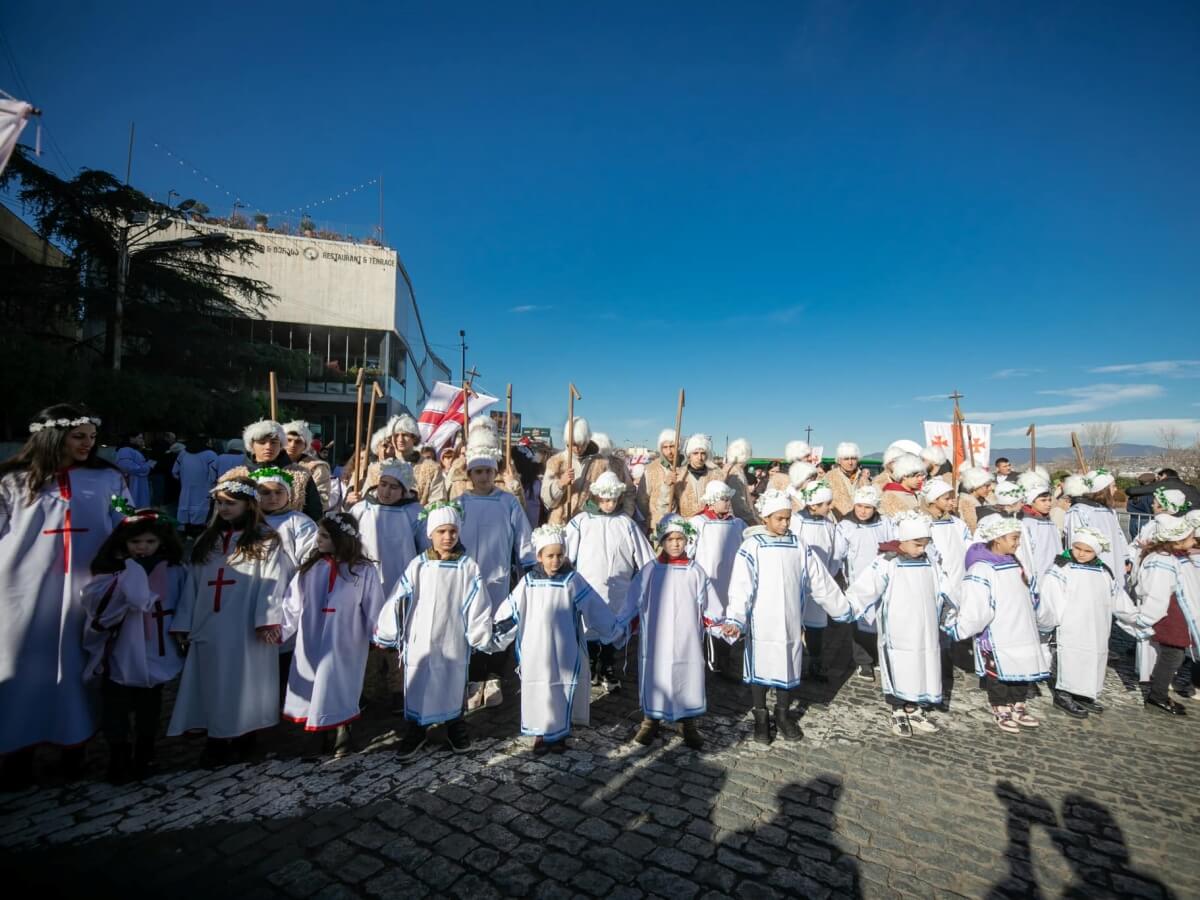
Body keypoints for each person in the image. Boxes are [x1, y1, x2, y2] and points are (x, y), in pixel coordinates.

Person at [0, 405, 128, 787]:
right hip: (22, 593)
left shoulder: (108, 478)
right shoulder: (13, 480)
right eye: (79, 436)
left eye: (92, 436)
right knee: (21, 669)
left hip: (84, 590)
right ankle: (17, 752)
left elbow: (125, 520)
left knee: (79, 669)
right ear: (53, 436)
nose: (88, 443)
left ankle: (74, 748)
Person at [167, 477, 286, 765]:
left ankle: (246, 734)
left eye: (230, 503)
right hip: (210, 624)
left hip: (245, 626)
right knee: (211, 682)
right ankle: (215, 739)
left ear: (248, 504)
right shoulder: (207, 542)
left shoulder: (265, 539)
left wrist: (267, 619)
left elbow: (272, 582)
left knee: (245, 682)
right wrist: (184, 621)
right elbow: (192, 584)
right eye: (219, 503)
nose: (223, 508)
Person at [724, 489, 854, 744]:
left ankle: (782, 714)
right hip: (762, 620)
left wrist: (840, 608)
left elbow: (819, 580)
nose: (784, 523)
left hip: (791, 620)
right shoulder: (752, 546)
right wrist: (736, 617)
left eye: (787, 518)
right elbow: (741, 586)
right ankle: (760, 715)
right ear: (766, 519)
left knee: (788, 665)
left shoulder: (798, 545)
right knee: (760, 667)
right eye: (779, 519)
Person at [491, 524, 627, 753]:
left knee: (561, 686)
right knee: (537, 688)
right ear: (539, 556)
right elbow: (511, 610)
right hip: (535, 648)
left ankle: (559, 732)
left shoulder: (572, 580)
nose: (555, 561)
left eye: (559, 555)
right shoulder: (528, 582)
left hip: (564, 647)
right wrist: (495, 633)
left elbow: (594, 607)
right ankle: (539, 733)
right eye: (550, 556)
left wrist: (611, 630)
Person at [374, 501, 493, 760]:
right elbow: (399, 596)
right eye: (441, 531)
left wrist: (478, 632)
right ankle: (417, 728)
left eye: (452, 531)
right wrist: (388, 629)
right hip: (421, 637)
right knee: (420, 680)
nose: (447, 537)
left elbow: (478, 601)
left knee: (451, 678)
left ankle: (454, 724)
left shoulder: (467, 566)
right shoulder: (418, 565)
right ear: (430, 533)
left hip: (452, 635)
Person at [81, 503, 185, 782]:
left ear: (161, 541)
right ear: (123, 543)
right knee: (115, 705)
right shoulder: (113, 570)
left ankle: (145, 752)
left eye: (150, 541)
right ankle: (118, 754)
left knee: (149, 704)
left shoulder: (174, 570)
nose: (143, 548)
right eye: (136, 542)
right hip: (122, 649)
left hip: (156, 648)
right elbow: (96, 604)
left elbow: (183, 600)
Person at [281, 512, 386, 757]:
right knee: (312, 682)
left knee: (341, 684)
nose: (318, 539)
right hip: (312, 638)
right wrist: (281, 630)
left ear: (340, 539)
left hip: (345, 640)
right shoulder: (309, 570)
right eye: (319, 534)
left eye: (325, 535)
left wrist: (379, 635)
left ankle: (343, 729)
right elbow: (292, 604)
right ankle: (316, 733)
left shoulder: (363, 571)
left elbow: (374, 606)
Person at [942, 516, 1054, 734]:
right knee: (998, 673)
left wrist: (1042, 618)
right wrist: (962, 627)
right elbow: (976, 605)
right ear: (997, 539)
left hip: (1021, 628)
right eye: (1014, 538)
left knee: (1022, 665)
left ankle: (1018, 703)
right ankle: (1000, 705)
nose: (1018, 543)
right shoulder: (982, 569)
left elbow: (1031, 595)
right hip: (997, 632)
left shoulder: (1015, 563)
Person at [845, 512, 953, 737]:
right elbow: (866, 587)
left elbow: (943, 587)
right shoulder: (888, 561)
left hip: (925, 628)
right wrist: (847, 607)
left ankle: (915, 707)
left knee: (923, 664)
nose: (921, 549)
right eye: (917, 544)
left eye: (925, 545)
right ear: (903, 540)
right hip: (898, 628)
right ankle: (898, 708)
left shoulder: (929, 562)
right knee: (899, 664)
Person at [627, 515, 723, 750]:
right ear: (662, 542)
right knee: (655, 674)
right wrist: (622, 622)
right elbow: (632, 600)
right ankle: (651, 720)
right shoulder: (650, 570)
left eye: (680, 539)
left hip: (686, 638)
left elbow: (709, 602)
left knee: (687, 675)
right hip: (656, 639)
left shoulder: (695, 571)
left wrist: (721, 624)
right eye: (670, 540)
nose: (676, 544)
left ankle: (687, 722)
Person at [456, 443, 535, 710]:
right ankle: (475, 677)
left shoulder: (507, 502)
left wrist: (529, 562)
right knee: (472, 623)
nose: (483, 477)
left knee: (498, 623)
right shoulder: (460, 503)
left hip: (498, 574)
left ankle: (494, 675)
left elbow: (523, 536)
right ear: (470, 474)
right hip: (468, 576)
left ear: (495, 473)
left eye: (488, 471)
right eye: (477, 471)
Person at [1037, 527, 1141, 719]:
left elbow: (1117, 596)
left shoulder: (1103, 571)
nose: (1081, 554)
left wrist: (1135, 617)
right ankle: (1064, 693)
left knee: (1093, 659)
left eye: (1087, 551)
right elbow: (1050, 596)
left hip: (1097, 625)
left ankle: (1083, 693)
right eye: (1077, 548)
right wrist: (1049, 620)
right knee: (1070, 657)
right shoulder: (1062, 568)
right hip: (1071, 623)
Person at [565, 471, 654, 691]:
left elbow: (645, 557)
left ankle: (607, 667)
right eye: (605, 500)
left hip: (618, 589)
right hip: (589, 586)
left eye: (613, 500)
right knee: (590, 627)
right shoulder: (581, 521)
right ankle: (591, 665)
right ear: (597, 498)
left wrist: (653, 575)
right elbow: (566, 552)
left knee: (613, 628)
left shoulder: (626, 523)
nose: (609, 504)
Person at [350, 458, 422, 714]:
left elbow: (423, 545)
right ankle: (367, 690)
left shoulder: (413, 512)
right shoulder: (361, 510)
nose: (387, 491)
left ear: (404, 490)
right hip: (367, 582)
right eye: (383, 485)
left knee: (396, 635)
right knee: (368, 636)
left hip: (399, 581)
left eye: (394, 487)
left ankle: (396, 690)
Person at [1131, 515, 1198, 716]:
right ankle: (1157, 696)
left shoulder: (1174, 556)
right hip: (1170, 614)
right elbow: (1158, 592)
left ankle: (1158, 693)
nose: (1194, 541)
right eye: (1190, 538)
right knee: (1172, 655)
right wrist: (1148, 618)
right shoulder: (1162, 560)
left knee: (1174, 654)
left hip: (1177, 613)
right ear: (1177, 540)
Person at [688, 479, 749, 679]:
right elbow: (689, 551)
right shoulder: (698, 523)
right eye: (723, 499)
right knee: (709, 618)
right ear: (712, 501)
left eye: (728, 498)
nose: (728, 502)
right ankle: (711, 660)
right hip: (708, 579)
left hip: (730, 579)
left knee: (728, 616)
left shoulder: (737, 523)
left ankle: (725, 658)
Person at [833, 485, 895, 680]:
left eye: (867, 507)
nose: (862, 511)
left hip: (882, 578)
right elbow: (838, 553)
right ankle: (863, 661)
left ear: (875, 508)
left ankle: (879, 656)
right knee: (861, 620)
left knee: (880, 619)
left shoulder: (885, 523)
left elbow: (893, 544)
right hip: (857, 579)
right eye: (859, 506)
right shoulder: (846, 526)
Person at [220, 420, 322, 521]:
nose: (268, 447)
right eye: (262, 442)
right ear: (251, 445)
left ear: (281, 445)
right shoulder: (234, 476)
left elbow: (314, 513)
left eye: (274, 442)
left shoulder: (301, 475)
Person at [542, 417, 636, 525]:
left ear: (587, 440)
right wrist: (560, 484)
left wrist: (624, 517)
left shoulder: (601, 463)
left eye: (581, 443)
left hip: (591, 527)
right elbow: (548, 502)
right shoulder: (556, 462)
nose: (577, 449)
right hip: (562, 526)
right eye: (573, 444)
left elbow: (615, 495)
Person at [791, 479, 840, 682]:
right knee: (794, 622)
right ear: (813, 505)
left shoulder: (829, 524)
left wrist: (828, 574)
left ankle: (815, 662)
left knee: (816, 625)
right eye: (826, 504)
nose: (830, 508)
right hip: (799, 581)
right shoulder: (796, 521)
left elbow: (835, 551)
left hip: (821, 582)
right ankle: (793, 663)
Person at [1064, 469, 1133, 581]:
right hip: (1092, 568)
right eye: (1113, 486)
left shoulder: (1110, 511)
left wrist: (1126, 558)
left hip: (1115, 565)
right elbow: (1075, 541)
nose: (1116, 489)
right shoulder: (1079, 510)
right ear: (1103, 490)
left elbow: (1119, 537)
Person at [636, 429, 682, 533]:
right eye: (665, 447)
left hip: (681, 525)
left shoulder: (685, 468)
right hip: (656, 526)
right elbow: (642, 499)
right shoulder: (651, 469)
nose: (669, 451)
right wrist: (646, 523)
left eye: (672, 446)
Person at [173, 436, 219, 537]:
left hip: (185, 490)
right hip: (204, 491)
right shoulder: (210, 454)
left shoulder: (183, 453)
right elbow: (214, 474)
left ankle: (187, 533)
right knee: (201, 514)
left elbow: (175, 471)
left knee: (186, 511)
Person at [282, 420, 333, 511]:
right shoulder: (273, 464)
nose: (292, 445)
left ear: (305, 445)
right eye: (288, 440)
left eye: (298, 442)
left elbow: (322, 501)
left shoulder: (317, 468)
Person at [1016, 480, 1062, 580]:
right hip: (1038, 573)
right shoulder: (1025, 523)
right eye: (1043, 500)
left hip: (1056, 572)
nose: (1048, 504)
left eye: (1050, 500)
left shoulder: (1051, 522)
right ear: (1031, 502)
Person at [827, 442, 871, 520]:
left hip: (860, 524)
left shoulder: (864, 480)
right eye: (846, 459)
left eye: (853, 458)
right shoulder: (829, 478)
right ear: (839, 460)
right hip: (836, 524)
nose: (850, 462)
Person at [879, 453, 925, 519]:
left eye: (921, 476)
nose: (920, 479)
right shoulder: (890, 496)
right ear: (904, 476)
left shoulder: (918, 493)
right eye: (917, 476)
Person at [115, 433, 155, 508]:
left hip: (138, 487)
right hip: (132, 488)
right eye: (140, 438)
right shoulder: (124, 450)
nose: (142, 440)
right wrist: (147, 466)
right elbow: (127, 467)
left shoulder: (133, 450)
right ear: (131, 439)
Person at [957, 466, 995, 533]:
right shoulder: (966, 503)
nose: (990, 488)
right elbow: (972, 528)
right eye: (987, 486)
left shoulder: (986, 500)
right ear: (976, 486)